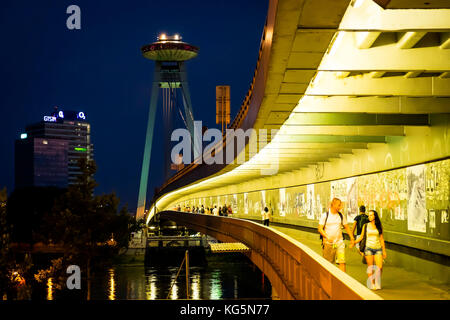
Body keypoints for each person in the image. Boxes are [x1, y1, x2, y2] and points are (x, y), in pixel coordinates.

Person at [318, 198, 355, 272]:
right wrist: (326, 236)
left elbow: (347, 227)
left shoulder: (341, 215)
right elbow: (320, 229)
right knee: (328, 264)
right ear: (333, 205)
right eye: (339, 205)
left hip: (339, 243)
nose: (340, 207)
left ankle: (343, 280)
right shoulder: (325, 215)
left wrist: (352, 238)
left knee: (342, 262)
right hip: (329, 244)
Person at [354, 210, 387, 290]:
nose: (369, 217)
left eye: (371, 215)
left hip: (378, 248)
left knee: (379, 267)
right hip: (368, 248)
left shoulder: (379, 226)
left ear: (375, 216)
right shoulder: (365, 225)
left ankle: (377, 281)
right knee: (370, 267)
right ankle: (372, 284)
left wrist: (384, 251)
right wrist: (354, 242)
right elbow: (361, 237)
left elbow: (381, 239)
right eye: (369, 215)